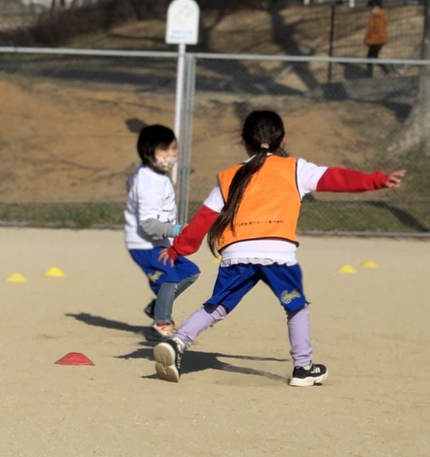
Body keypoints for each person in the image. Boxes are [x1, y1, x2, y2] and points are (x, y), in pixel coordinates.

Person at [151, 109, 403, 387]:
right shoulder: (296, 168)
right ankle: (303, 367)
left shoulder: (229, 176)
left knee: (217, 305)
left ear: (243, 141)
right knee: (296, 307)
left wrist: (178, 249)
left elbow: (203, 219)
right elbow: (337, 178)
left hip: (236, 253)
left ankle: (177, 342)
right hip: (277, 255)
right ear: (281, 140)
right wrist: (377, 180)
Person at [123, 123, 198, 338]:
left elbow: (129, 183)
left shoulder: (151, 174)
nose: (171, 154)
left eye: (173, 149)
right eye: (164, 149)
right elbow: (148, 224)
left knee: (189, 272)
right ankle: (161, 323)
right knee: (168, 276)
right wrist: (178, 229)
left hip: (159, 242)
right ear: (148, 152)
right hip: (145, 243)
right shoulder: (148, 182)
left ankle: (157, 307)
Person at [364, 0, 390, 76]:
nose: (371, 10)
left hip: (377, 41)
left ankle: (370, 74)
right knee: (372, 57)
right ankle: (385, 71)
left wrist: (370, 41)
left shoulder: (378, 17)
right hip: (376, 40)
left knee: (371, 57)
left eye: (373, 8)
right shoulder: (375, 16)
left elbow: (377, 31)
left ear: (376, 7)